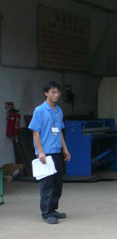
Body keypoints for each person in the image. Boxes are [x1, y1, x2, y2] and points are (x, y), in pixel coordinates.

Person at [28, 81, 71, 224]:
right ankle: (46, 213)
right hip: (45, 154)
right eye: (53, 92)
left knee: (57, 183)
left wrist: (65, 149)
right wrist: (40, 152)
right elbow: (35, 132)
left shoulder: (58, 111)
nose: (56, 95)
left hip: (57, 152)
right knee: (47, 185)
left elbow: (60, 132)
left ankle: (53, 209)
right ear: (46, 93)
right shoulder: (40, 110)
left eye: (58, 92)